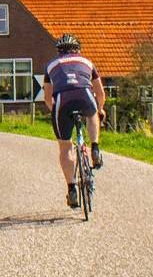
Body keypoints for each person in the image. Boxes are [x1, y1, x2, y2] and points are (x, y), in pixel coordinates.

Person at [43, 35, 106, 209]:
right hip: (84, 95)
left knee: (65, 147)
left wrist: (56, 113)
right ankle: (94, 147)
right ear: (78, 49)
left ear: (59, 52)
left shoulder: (51, 65)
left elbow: (48, 98)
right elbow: (100, 93)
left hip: (62, 101)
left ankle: (71, 189)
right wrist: (100, 109)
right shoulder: (87, 62)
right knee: (93, 113)